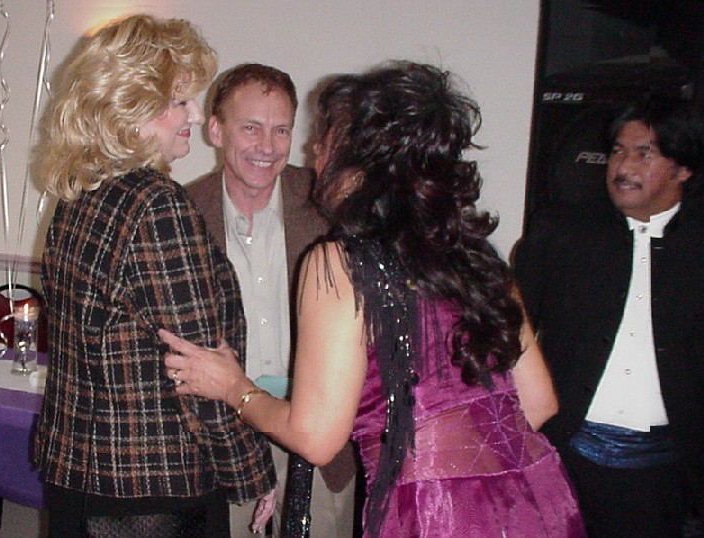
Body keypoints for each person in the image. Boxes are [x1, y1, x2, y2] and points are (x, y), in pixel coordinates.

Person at [160, 61, 586, 537]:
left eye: (324, 140)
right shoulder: (475, 254)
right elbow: (538, 403)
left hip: (431, 514)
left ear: (358, 157)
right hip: (530, 502)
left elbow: (316, 439)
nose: (313, 152)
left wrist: (233, 387)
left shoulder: (340, 262)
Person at [34, 15, 275, 537]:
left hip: (78, 475)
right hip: (152, 489)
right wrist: (254, 472)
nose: (195, 114)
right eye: (179, 101)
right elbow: (200, 367)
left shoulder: (78, 195)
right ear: (131, 107)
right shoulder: (156, 204)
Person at [514, 96, 704, 537]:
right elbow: (506, 333)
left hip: (665, 467)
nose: (623, 166)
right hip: (565, 450)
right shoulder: (563, 230)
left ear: (683, 169)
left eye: (644, 154)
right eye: (618, 151)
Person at [186, 63, 356, 538]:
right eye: (251, 128)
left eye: (281, 130)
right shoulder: (183, 211)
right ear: (216, 131)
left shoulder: (328, 203)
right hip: (222, 444)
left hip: (313, 434)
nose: (267, 146)